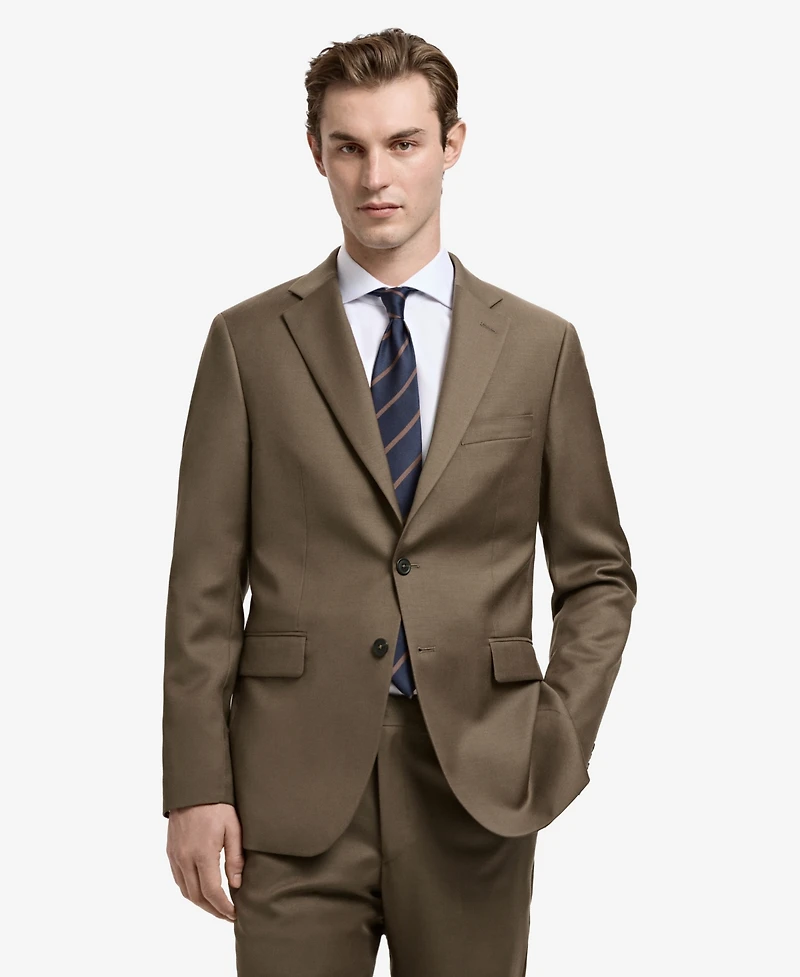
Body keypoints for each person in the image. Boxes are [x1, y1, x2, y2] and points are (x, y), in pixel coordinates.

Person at [162, 26, 637, 977]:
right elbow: (203, 585)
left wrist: (556, 736)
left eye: (404, 143)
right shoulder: (248, 344)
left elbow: (598, 575)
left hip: (478, 778)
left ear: (452, 144)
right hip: (288, 786)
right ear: (317, 154)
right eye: (349, 146)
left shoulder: (539, 347)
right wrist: (195, 782)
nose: (376, 176)